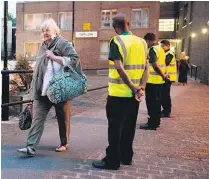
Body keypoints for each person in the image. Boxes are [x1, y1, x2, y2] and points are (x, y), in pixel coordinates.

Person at [92, 13, 149, 170]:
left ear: (115, 28)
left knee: (115, 128)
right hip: (134, 96)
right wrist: (141, 88)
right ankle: (126, 156)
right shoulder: (142, 42)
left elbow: (119, 67)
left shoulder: (116, 41)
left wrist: (132, 87)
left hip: (118, 94)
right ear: (128, 24)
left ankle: (112, 161)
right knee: (129, 127)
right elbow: (146, 67)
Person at [17, 19, 79, 156]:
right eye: (43, 31)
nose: (45, 33)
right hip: (42, 90)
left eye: (47, 30)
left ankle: (64, 143)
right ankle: (30, 146)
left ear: (55, 31)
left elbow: (74, 59)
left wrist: (54, 57)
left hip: (59, 90)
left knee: (62, 118)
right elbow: (37, 71)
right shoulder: (43, 46)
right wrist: (32, 94)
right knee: (37, 118)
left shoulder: (63, 44)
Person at [139, 33, 169, 130]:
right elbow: (163, 64)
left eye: (146, 42)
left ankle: (152, 124)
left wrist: (163, 75)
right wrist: (164, 75)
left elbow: (155, 65)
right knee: (157, 103)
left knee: (151, 103)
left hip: (152, 81)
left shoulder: (152, 50)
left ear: (148, 40)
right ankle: (156, 122)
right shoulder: (160, 49)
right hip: (159, 82)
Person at [160, 40, 177, 118]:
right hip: (166, 77)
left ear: (168, 46)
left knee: (165, 95)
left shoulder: (169, 54)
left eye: (163, 46)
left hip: (168, 78)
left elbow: (165, 63)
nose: (161, 47)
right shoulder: (165, 53)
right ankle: (165, 110)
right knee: (164, 94)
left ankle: (167, 111)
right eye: (161, 46)